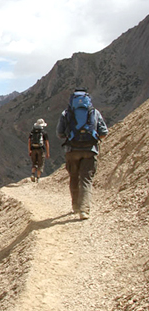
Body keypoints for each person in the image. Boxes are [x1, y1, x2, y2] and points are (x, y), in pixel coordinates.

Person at [56, 88, 108, 220]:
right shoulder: (94, 113)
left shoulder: (66, 113)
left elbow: (60, 133)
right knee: (86, 180)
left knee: (74, 177)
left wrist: (71, 135)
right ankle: (84, 210)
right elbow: (104, 132)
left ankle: (75, 206)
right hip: (90, 150)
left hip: (72, 151)